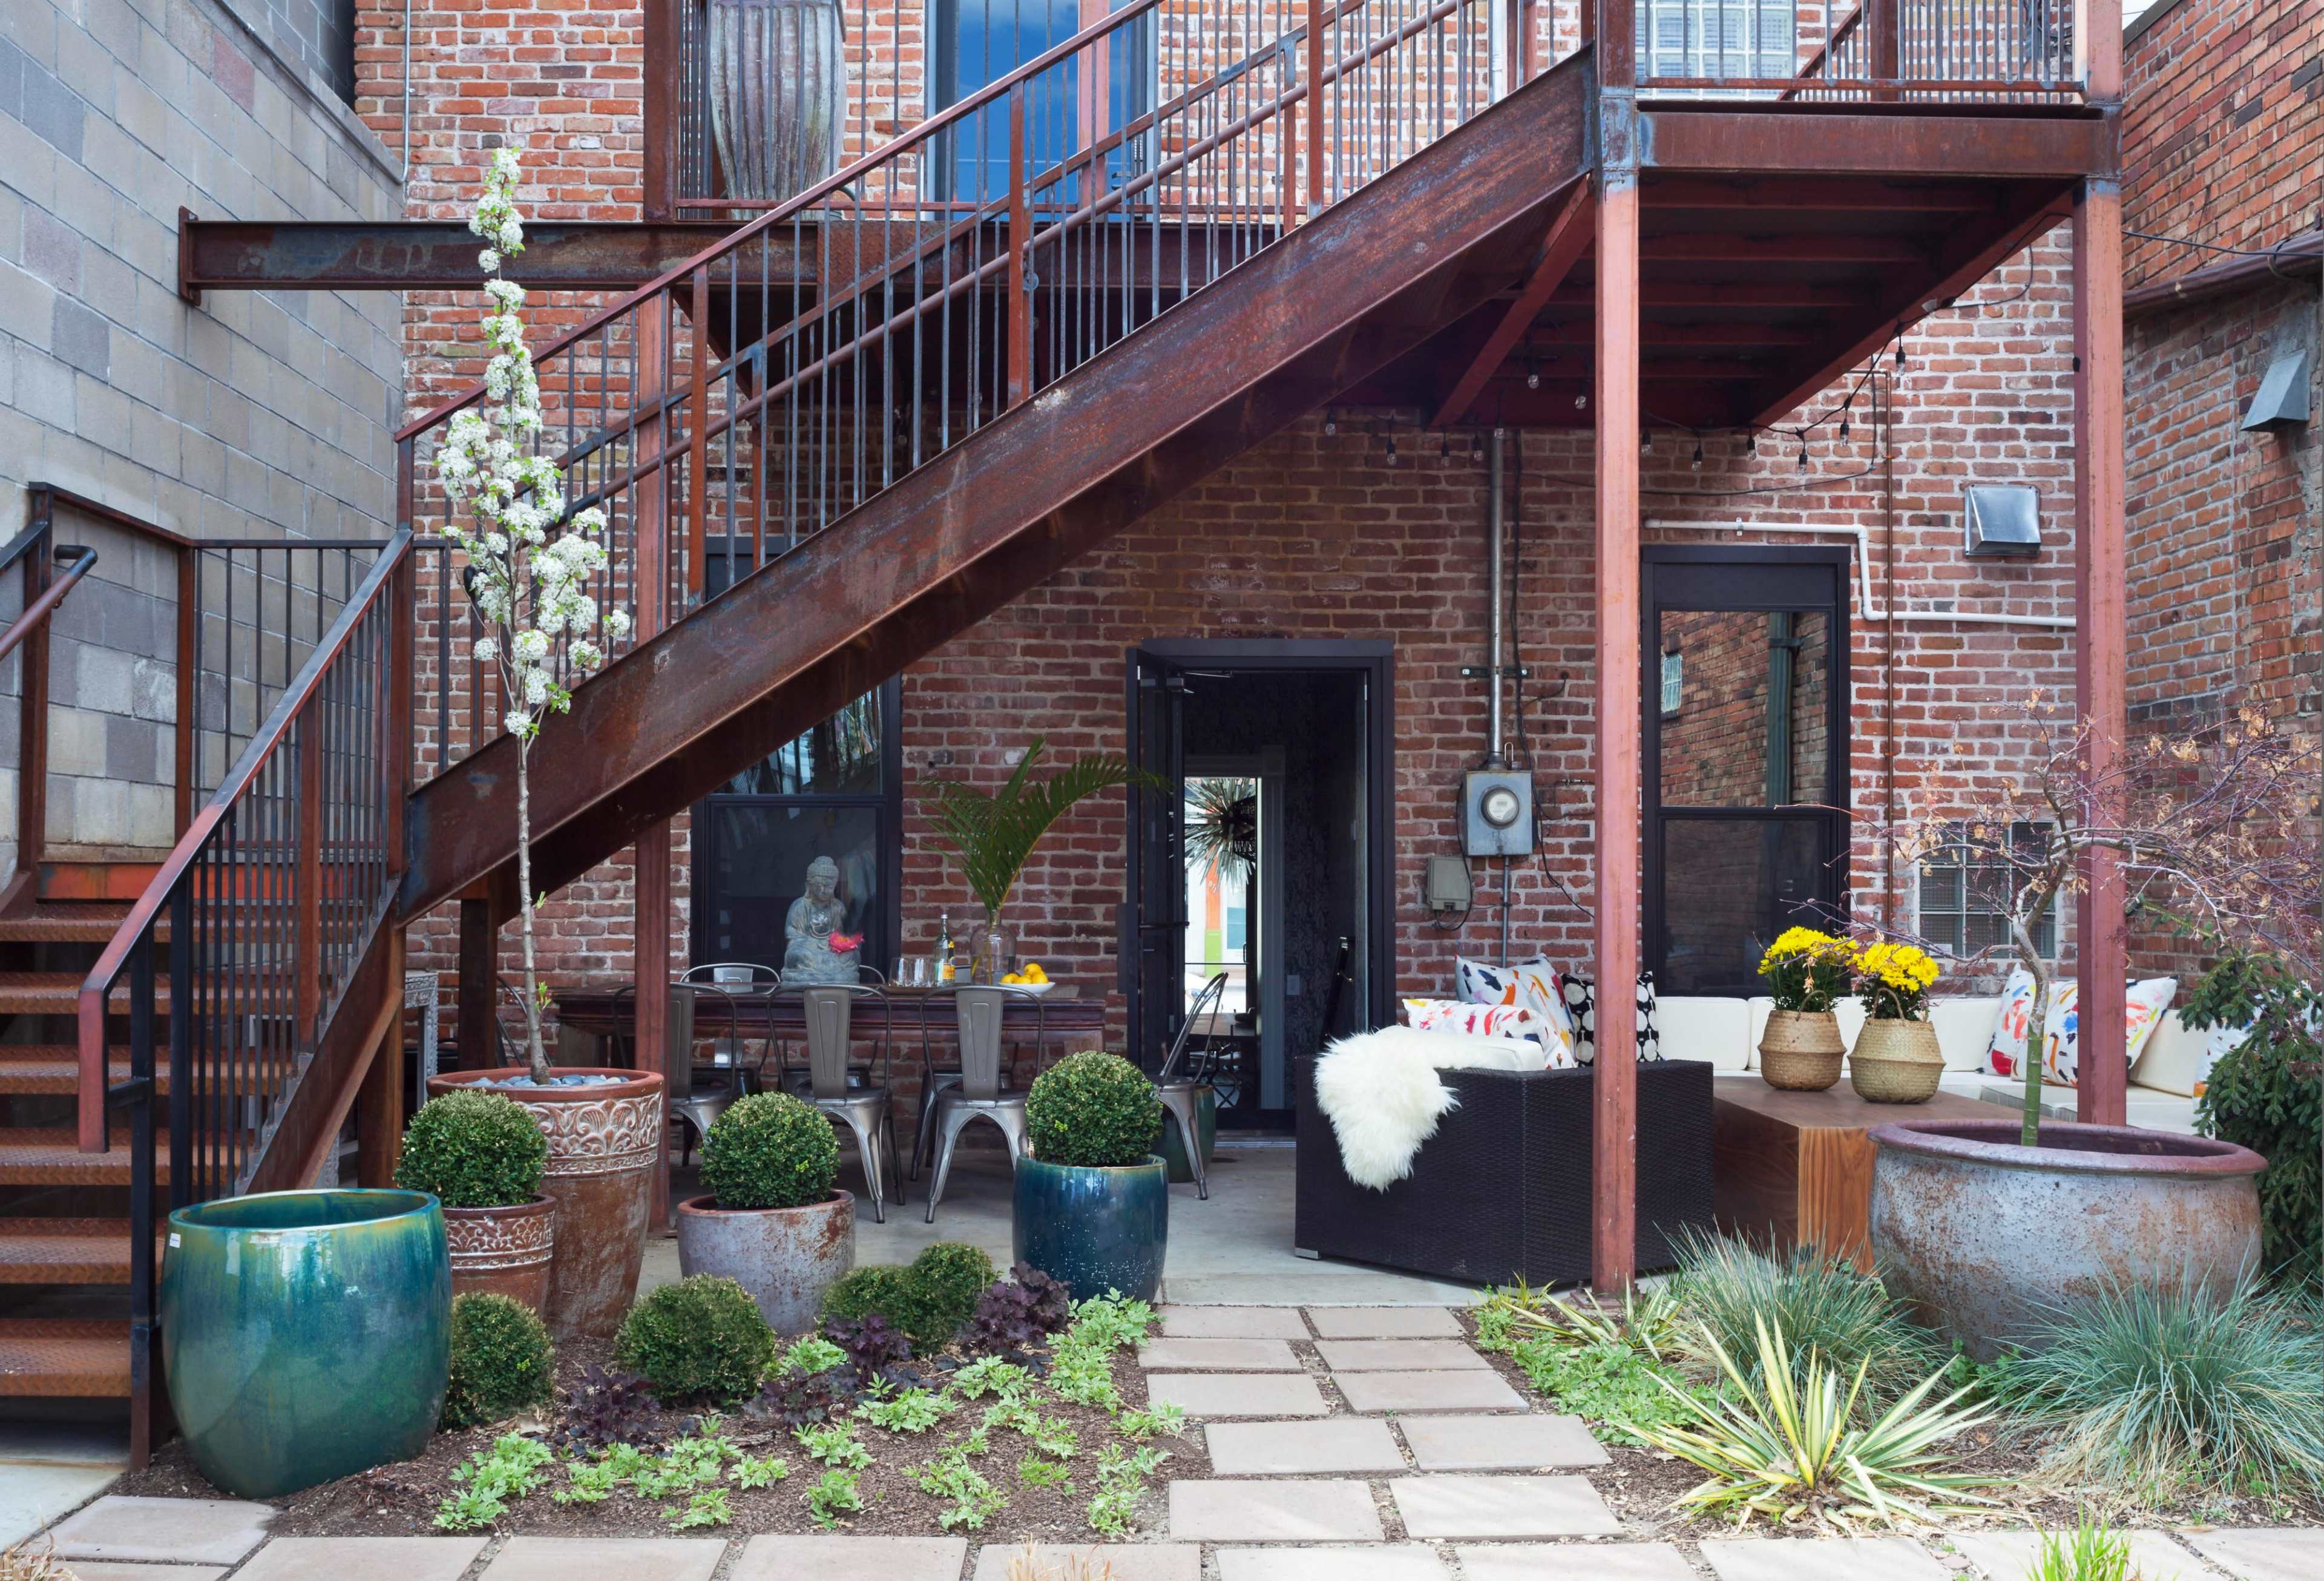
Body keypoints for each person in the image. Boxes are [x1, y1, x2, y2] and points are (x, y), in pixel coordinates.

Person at [782, 855, 859, 984]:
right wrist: (812, 943)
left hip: (831, 950)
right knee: (798, 955)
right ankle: (830, 973)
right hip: (808, 949)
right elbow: (790, 932)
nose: (823, 891)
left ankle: (827, 972)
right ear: (810, 885)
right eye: (819, 886)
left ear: (834, 886)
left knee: (853, 955)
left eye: (828, 887)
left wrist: (837, 943)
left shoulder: (838, 907)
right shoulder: (800, 905)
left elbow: (844, 935)